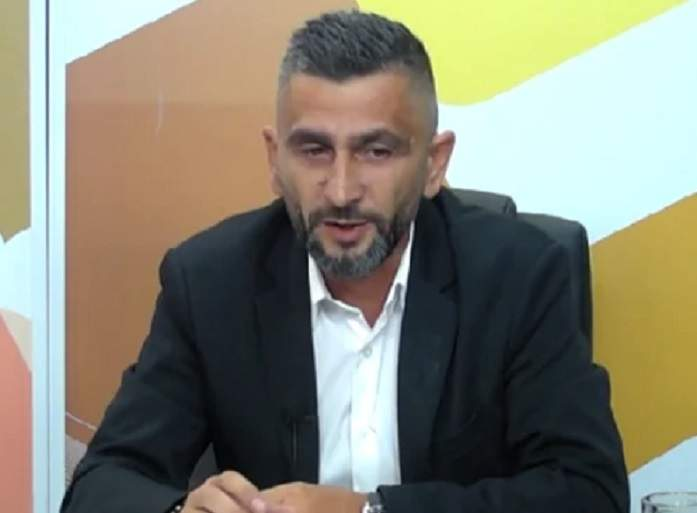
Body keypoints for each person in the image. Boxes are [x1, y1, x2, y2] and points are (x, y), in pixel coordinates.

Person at [61, 10, 629, 513]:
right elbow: (101, 485)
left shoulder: (518, 275)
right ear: (275, 159)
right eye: (314, 150)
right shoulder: (211, 282)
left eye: (376, 151)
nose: (340, 190)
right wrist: (183, 511)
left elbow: (588, 493)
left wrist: (367, 511)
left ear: (434, 164)